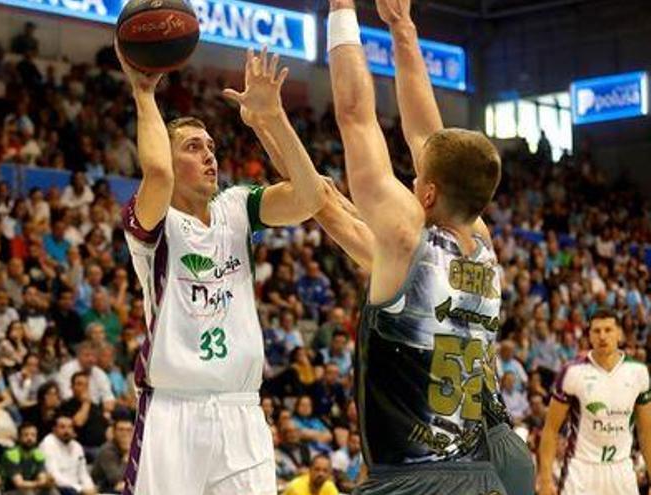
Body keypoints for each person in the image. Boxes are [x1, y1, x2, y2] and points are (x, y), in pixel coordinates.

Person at [314, 0, 535, 493]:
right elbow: (430, 138)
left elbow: (354, 117)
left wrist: (342, 9)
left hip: (414, 479)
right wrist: (402, 29)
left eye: (419, 176)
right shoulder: (483, 242)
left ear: (428, 192)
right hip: (484, 468)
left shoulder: (402, 236)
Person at [118, 38, 325, 494]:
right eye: (193, 147)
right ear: (171, 160)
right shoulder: (154, 223)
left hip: (241, 409)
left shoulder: (236, 206)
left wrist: (273, 118)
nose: (210, 154)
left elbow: (310, 197)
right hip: (173, 412)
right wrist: (143, 92)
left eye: (210, 145)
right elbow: (157, 174)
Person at [537, 309, 651, 495]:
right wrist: (545, 481)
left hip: (621, 470)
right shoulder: (572, 372)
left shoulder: (638, 372)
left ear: (619, 333)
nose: (602, 336)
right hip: (581, 470)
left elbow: (646, 432)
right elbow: (550, 430)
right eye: (596, 331)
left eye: (608, 330)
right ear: (589, 336)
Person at [38, 416, 96, 495]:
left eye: (70, 427)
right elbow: (54, 475)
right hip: (60, 488)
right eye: (62, 427)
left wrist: (90, 488)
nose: (67, 431)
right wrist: (80, 489)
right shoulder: (47, 444)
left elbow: (83, 473)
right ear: (54, 429)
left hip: (78, 488)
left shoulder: (77, 446)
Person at [58, 372, 108, 457]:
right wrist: (86, 403)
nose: (84, 388)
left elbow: (105, 426)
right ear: (72, 387)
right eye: (80, 384)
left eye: (86, 385)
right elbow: (78, 423)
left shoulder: (95, 406)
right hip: (81, 448)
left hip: (101, 446)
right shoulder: (66, 406)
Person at [0, 422, 54, 495]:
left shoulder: (38, 454)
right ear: (19, 437)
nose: (30, 438)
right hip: (9, 491)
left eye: (33, 435)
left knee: (53, 491)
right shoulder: (11, 454)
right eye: (26, 435)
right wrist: (40, 483)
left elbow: (41, 478)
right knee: (29, 493)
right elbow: (19, 484)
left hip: (30, 489)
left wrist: (47, 482)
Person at [91, 418, 132, 493]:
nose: (125, 434)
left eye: (129, 430)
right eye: (121, 430)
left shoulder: (136, 448)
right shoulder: (107, 451)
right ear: (114, 432)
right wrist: (127, 455)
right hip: (102, 489)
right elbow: (116, 478)